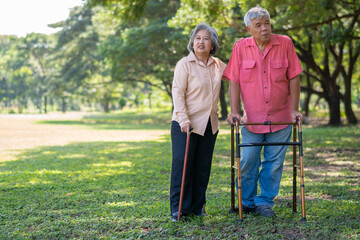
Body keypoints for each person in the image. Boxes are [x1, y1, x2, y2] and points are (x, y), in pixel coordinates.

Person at [223, 6, 304, 217]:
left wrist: (295, 109)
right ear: (249, 28)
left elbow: (294, 76)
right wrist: (234, 111)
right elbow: (234, 80)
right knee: (248, 159)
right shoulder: (240, 47)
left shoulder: (285, 42)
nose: (264, 28)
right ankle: (246, 201)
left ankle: (264, 202)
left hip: (281, 117)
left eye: (267, 23)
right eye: (258, 25)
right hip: (251, 120)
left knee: (274, 163)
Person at [170, 23, 226, 222]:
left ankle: (197, 207)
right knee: (182, 167)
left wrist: (242, 45)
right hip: (185, 124)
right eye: (197, 38)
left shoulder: (219, 65)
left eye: (206, 38)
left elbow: (238, 75)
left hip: (210, 124)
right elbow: (178, 93)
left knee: (202, 167)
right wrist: (183, 119)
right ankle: (179, 210)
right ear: (192, 43)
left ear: (213, 44)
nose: (201, 42)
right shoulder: (184, 64)